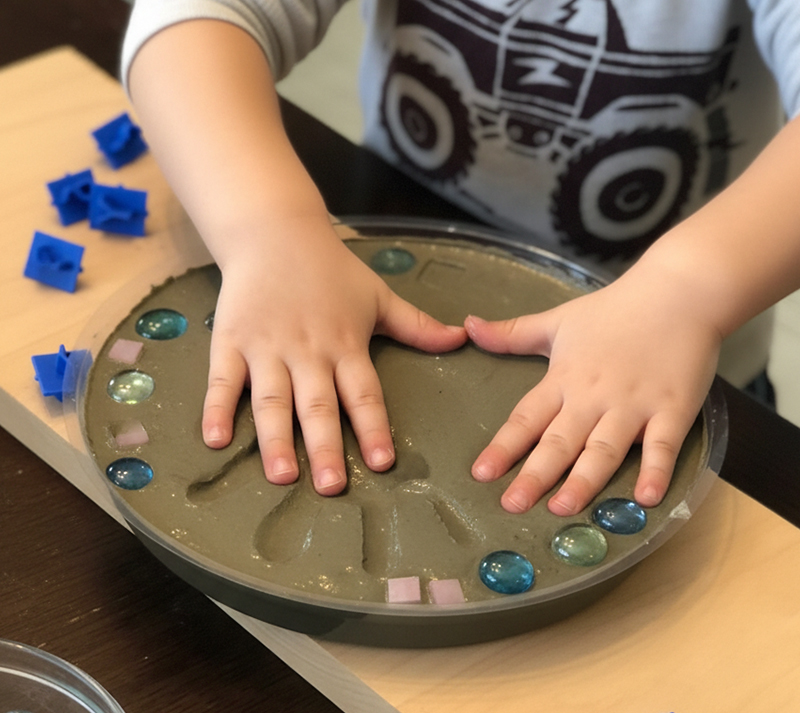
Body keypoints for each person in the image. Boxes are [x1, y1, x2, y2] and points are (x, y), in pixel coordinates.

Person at [120, 0, 800, 517]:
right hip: (389, 303)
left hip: (673, 373)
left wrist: (686, 291)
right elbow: (191, 20)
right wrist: (268, 228)